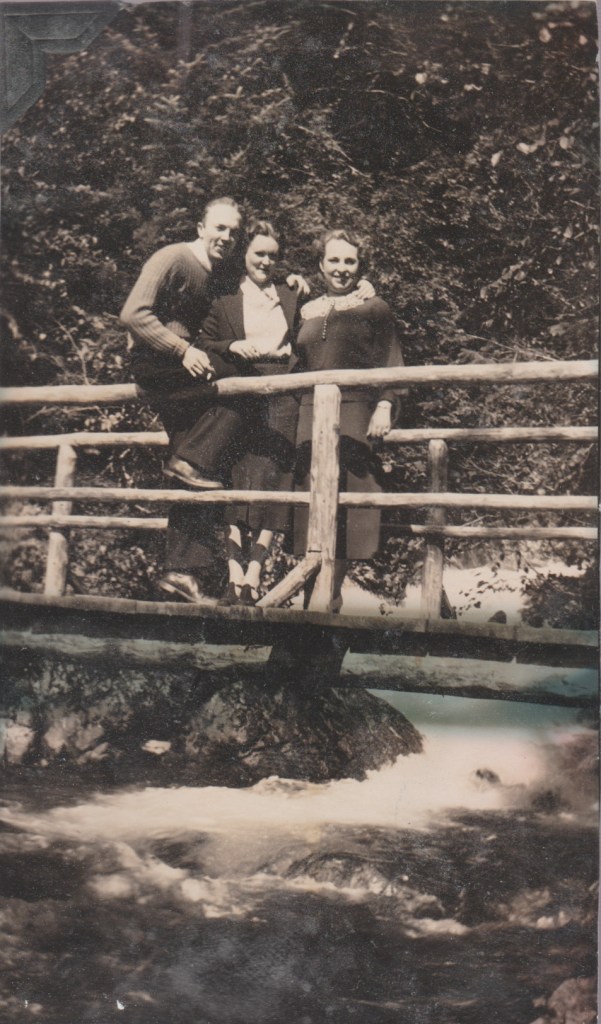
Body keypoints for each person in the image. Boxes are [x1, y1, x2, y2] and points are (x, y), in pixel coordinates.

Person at [121, 198, 308, 603]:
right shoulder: (173, 258)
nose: (225, 237)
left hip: (183, 368)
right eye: (219, 228)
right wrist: (182, 350)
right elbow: (133, 314)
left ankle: (181, 571)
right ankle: (189, 460)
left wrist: (290, 278)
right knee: (244, 383)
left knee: (201, 470)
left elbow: (260, 269)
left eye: (232, 232)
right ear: (201, 227)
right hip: (158, 361)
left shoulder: (219, 271)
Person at [293, 228, 406, 613]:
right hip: (310, 415)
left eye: (349, 261)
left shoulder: (374, 307)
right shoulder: (306, 309)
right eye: (334, 260)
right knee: (311, 503)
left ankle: (329, 594)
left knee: (345, 506)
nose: (341, 268)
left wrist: (385, 404)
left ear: (360, 266)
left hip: (355, 414)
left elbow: (391, 360)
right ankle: (313, 597)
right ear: (321, 265)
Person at [194, 220, 302, 606]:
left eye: (273, 255)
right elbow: (203, 341)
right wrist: (232, 346)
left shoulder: (291, 293)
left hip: (283, 394)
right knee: (235, 482)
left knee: (275, 483)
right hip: (240, 395)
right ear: (245, 254)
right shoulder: (225, 296)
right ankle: (234, 577)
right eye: (259, 253)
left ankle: (254, 575)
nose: (266, 262)